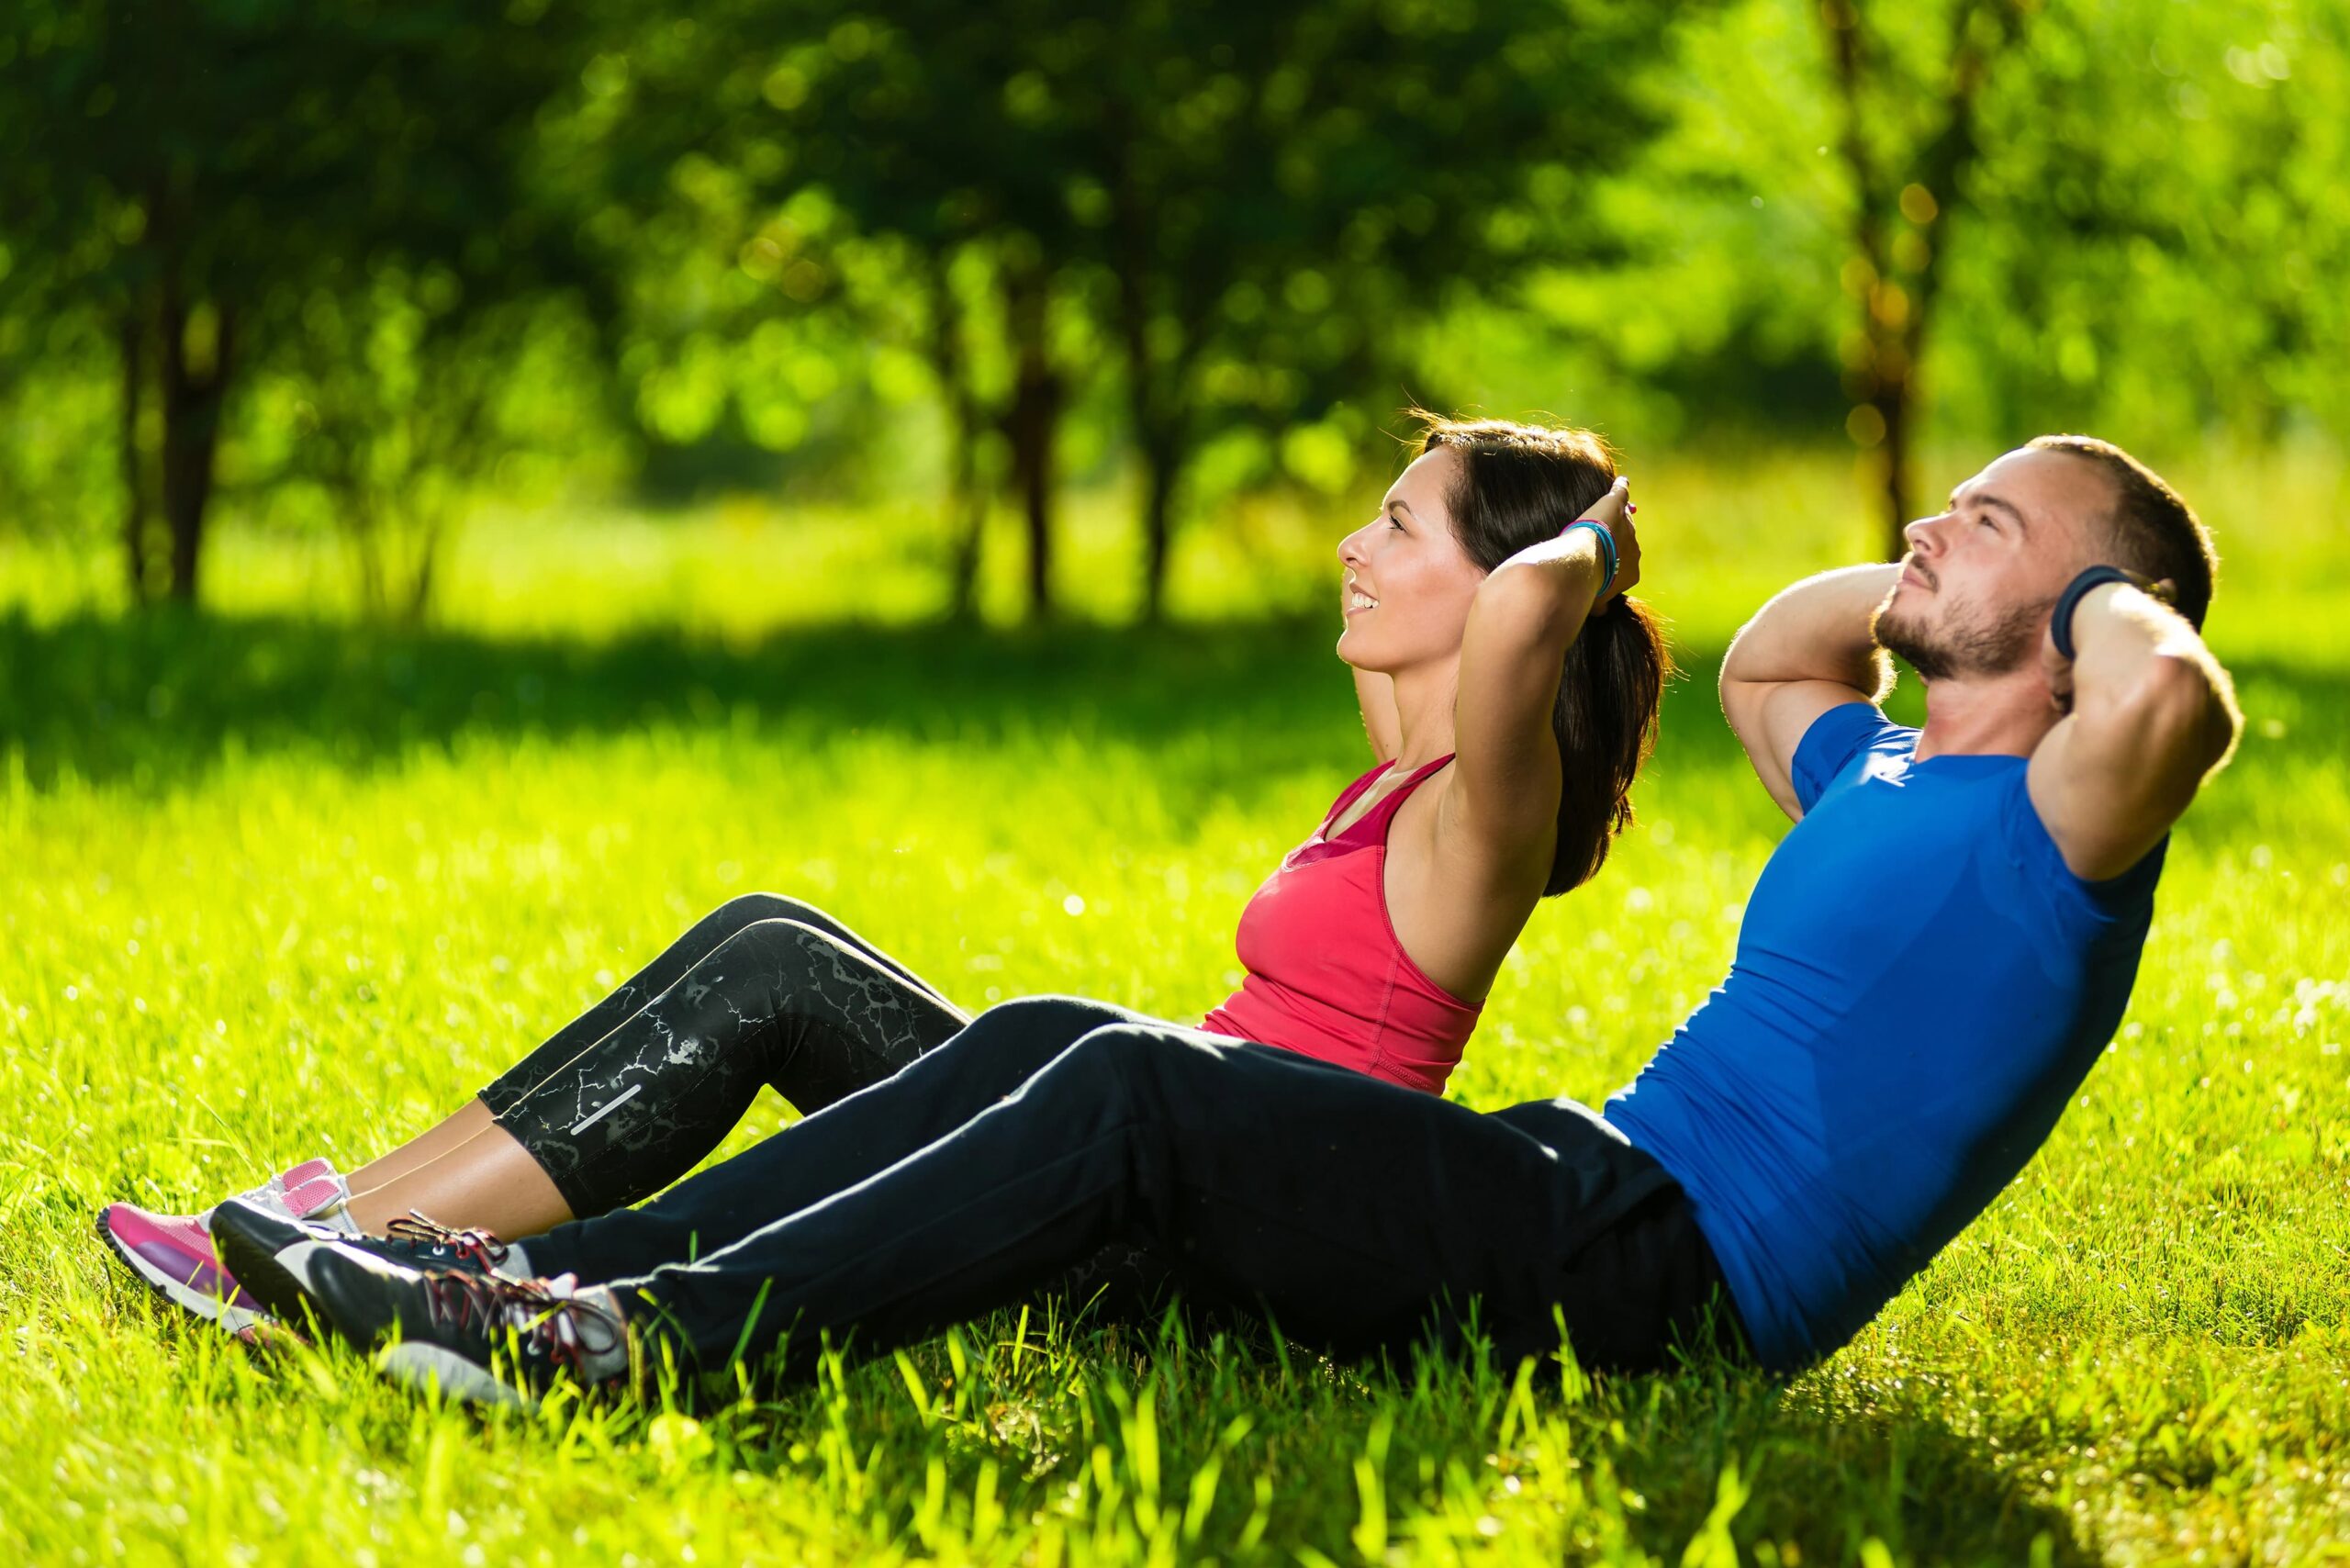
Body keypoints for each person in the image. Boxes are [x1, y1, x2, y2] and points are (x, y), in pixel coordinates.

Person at [211, 433, 2243, 1406]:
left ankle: (633, 1347)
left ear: (2084, 607)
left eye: (1986, 518)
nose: (1925, 527)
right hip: (1582, 1174)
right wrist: (1933, 571)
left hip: (1676, 1276)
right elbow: (1763, 668)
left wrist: (2083, 582)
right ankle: (533, 1277)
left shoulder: (2071, 814)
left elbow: (2170, 693)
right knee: (1044, 1034)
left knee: (1131, 1090)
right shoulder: (1889, 774)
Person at [102, 414, 1669, 1340]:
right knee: (774, 941)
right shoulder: (1393, 776)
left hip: (1183, 1237)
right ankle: (342, 1228)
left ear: (1496, 593)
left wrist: (1596, 539)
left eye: (1394, 526)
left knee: (781, 977)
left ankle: (368, 1265)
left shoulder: (1486, 826)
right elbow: (1445, 640)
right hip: (1132, 1165)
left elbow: (1526, 621)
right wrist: (1437, 567)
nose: (1349, 543)